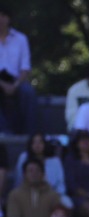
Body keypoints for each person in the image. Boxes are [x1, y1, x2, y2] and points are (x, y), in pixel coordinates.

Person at [0, 7, 37, 135]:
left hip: (17, 80)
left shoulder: (21, 39)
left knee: (28, 92)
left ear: (9, 18)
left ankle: (29, 135)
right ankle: (4, 132)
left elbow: (25, 67)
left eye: (3, 15)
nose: (0, 19)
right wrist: (3, 85)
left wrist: (15, 85)